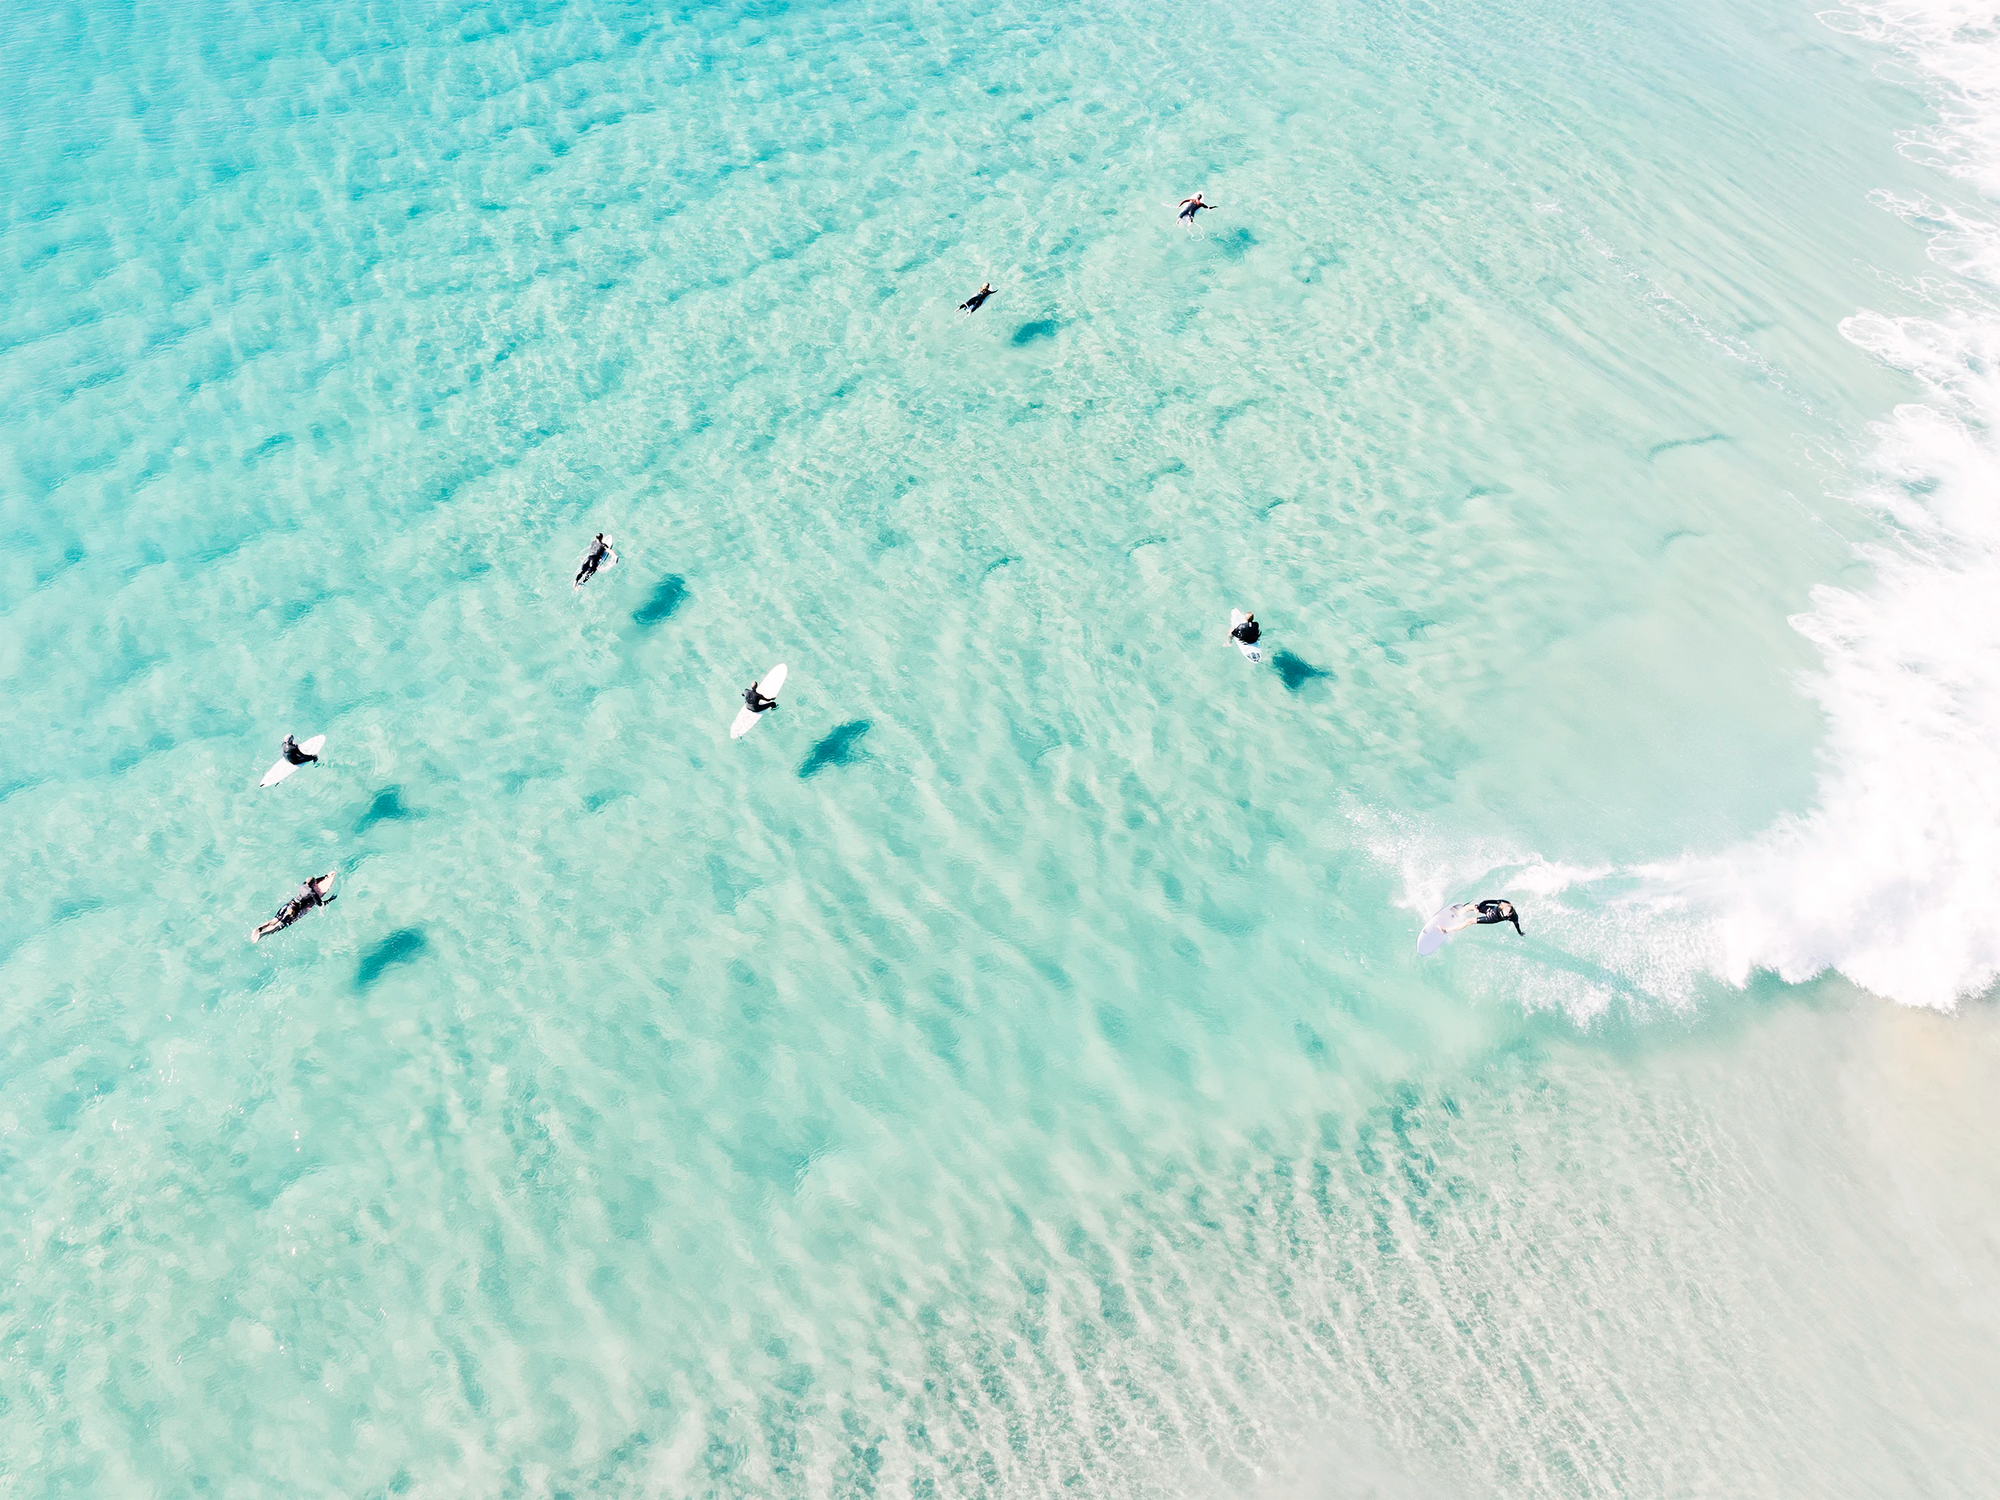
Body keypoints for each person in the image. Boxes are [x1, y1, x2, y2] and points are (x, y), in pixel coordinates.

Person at [253, 873, 337, 942]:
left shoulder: (303, 884)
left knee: (273, 921)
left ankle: (259, 929)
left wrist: (325, 877)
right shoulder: (312, 893)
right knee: (277, 927)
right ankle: (261, 934)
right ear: (314, 884)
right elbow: (320, 904)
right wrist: (330, 900)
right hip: (293, 910)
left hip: (288, 905)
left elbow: (312, 881)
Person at [1443, 899, 1522, 936]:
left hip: (1492, 919)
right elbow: (1486, 901)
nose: (1507, 915)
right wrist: (1477, 907)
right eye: (1506, 913)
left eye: (1508, 915)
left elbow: (1517, 925)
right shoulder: (1503, 903)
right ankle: (1459, 913)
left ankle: (1447, 930)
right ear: (1503, 907)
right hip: (1491, 909)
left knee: (1469, 921)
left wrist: (1519, 932)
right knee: (1471, 907)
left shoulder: (1514, 917)